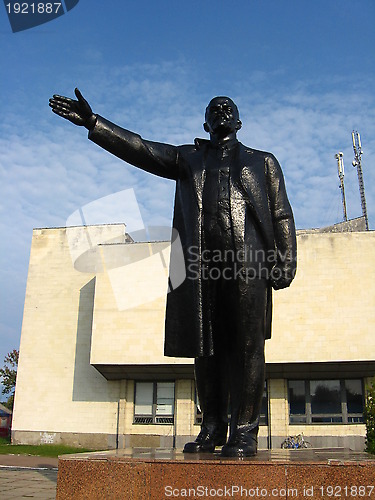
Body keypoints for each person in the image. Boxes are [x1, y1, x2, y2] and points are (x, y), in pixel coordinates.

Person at [49, 89, 297, 456]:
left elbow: (281, 213)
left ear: (239, 122)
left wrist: (286, 259)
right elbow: (142, 149)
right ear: (205, 123)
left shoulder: (263, 162)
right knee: (206, 348)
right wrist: (93, 122)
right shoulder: (188, 159)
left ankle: (243, 431)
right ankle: (211, 427)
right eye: (214, 108)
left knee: (248, 347)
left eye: (228, 107)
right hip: (201, 265)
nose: (221, 110)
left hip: (248, 265)